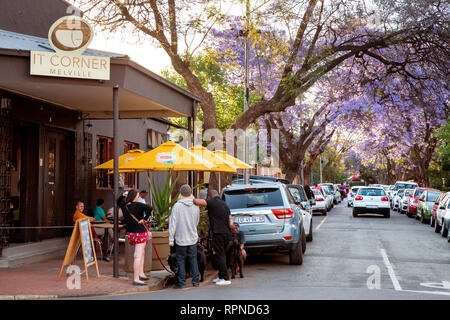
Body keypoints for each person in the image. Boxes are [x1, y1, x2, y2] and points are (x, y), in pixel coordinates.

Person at [194, 189, 236, 286]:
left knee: (220, 255)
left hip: (218, 233)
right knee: (221, 255)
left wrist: (189, 199)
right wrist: (232, 226)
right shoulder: (224, 204)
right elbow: (230, 219)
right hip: (227, 233)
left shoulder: (212, 201)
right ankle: (221, 276)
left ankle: (225, 278)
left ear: (209, 196)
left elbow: (197, 202)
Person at [119, 189, 153, 286]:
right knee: (138, 255)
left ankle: (141, 273)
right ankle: (136, 278)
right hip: (140, 233)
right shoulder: (138, 205)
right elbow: (150, 208)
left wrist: (122, 195)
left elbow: (118, 201)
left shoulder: (124, 206)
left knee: (141, 253)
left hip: (131, 234)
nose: (138, 197)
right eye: (137, 196)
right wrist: (144, 219)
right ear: (135, 197)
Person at [168, 184, 200, 288]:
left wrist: (171, 239)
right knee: (193, 259)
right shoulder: (196, 205)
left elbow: (172, 223)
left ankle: (182, 282)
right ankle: (196, 281)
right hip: (192, 237)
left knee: (180, 260)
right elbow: (197, 221)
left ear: (181, 193)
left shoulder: (177, 206)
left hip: (180, 238)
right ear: (191, 193)